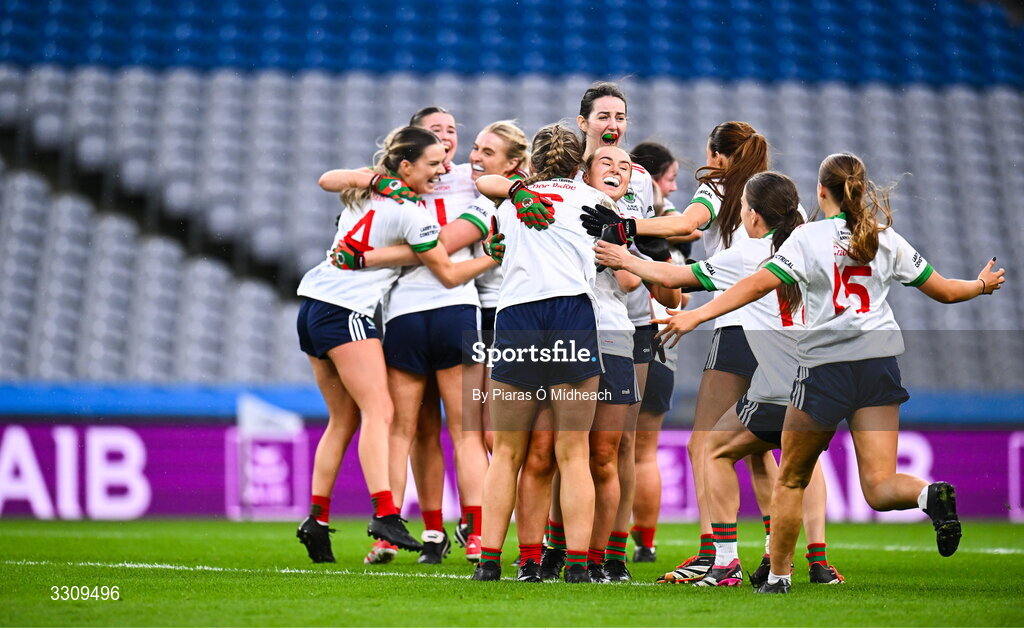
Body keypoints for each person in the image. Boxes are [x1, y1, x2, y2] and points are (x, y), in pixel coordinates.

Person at [650, 152, 1004, 593]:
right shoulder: (883, 237)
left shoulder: (806, 238)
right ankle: (926, 494)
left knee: (782, 473)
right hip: (879, 367)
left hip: (825, 369)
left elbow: (758, 284)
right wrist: (982, 285)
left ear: (821, 191)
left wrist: (698, 317)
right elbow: (948, 292)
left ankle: (777, 577)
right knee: (879, 485)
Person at [596, 171, 843, 587]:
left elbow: (676, 278)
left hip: (775, 380)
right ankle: (797, 562)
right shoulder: (817, 247)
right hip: (822, 380)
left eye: (744, 207)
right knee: (794, 467)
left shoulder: (749, 254)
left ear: (754, 217)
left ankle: (723, 559)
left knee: (712, 448)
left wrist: (623, 257)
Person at [582, 122, 780, 583]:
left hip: (735, 324)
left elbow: (688, 225)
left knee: (705, 445)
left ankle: (719, 556)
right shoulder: (772, 192)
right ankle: (781, 551)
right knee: (764, 451)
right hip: (781, 331)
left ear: (717, 153)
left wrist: (625, 226)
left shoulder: (717, 187)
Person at [295, 126, 493, 564]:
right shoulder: (415, 210)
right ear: (406, 165)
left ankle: (317, 518)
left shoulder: (365, 190)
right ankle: (386, 515)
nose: (442, 169)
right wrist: (493, 256)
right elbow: (446, 269)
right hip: (353, 310)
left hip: (313, 304)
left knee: (343, 421)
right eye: (432, 162)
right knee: (385, 414)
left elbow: (328, 178)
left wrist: (370, 183)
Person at [470, 123, 610, 583]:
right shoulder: (597, 203)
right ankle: (577, 568)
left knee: (507, 452)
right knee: (573, 452)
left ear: (531, 162)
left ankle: (489, 562)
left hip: (516, 320)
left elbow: (487, 199)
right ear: (579, 163)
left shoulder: (510, 202)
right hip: (571, 314)